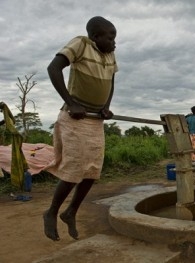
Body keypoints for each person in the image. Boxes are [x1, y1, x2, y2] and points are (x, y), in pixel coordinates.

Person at [43, 16, 118, 241]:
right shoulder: (81, 44)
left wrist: (106, 107)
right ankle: (52, 212)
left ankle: (71, 211)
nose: (115, 42)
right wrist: (71, 102)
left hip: (95, 120)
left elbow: (111, 81)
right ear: (95, 37)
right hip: (75, 118)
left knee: (92, 170)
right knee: (75, 168)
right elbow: (53, 68)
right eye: (111, 37)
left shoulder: (111, 55)